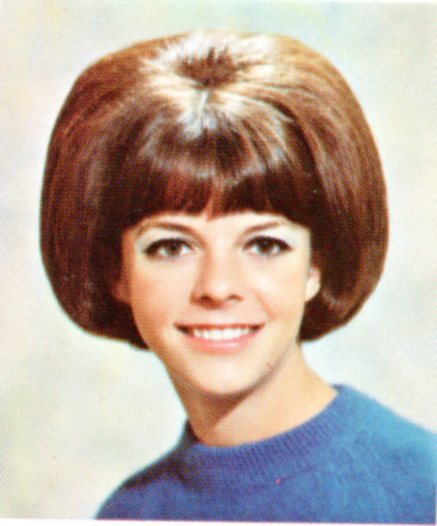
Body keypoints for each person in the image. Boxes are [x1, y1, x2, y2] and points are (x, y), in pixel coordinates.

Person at [40, 31, 435, 523]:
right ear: (116, 272)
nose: (217, 287)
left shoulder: (421, 490)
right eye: (171, 247)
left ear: (316, 265)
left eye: (264, 245)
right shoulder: (130, 512)